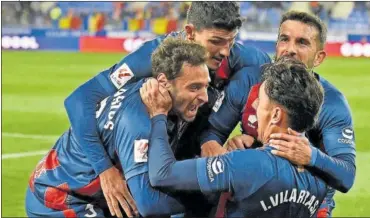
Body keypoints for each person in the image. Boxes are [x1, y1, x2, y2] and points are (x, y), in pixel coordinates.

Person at [63, 2, 271, 216]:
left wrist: (250, 136)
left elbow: (271, 81)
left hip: (187, 154)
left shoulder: (242, 57)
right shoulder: (153, 57)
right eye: (216, 42)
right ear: (190, 32)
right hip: (150, 156)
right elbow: (80, 100)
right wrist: (105, 170)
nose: (225, 52)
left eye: (232, 41)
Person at [25, 38, 211, 217]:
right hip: (60, 198)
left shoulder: (161, 101)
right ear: (163, 82)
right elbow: (148, 203)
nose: (205, 97)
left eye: (205, 86)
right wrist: (216, 189)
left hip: (96, 196)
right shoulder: (137, 121)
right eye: (194, 88)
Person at [200, 11, 357, 217]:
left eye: (302, 43)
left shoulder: (332, 103)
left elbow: (346, 176)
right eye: (284, 39)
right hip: (251, 195)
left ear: (319, 57)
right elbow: (213, 131)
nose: (290, 49)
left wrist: (312, 156)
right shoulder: (248, 81)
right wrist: (216, 147)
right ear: (276, 44)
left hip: (306, 205)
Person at [141, 58, 327, 217]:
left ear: (276, 115)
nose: (254, 103)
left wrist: (158, 115)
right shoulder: (320, 176)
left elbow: (162, 174)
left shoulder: (247, 164)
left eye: (261, 100)